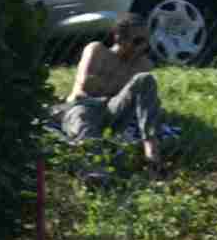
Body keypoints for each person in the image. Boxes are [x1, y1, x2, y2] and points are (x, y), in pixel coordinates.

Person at [61, 16, 169, 169]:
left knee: (145, 79)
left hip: (113, 111)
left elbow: (134, 94)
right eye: (138, 41)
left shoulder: (143, 64)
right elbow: (87, 85)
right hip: (84, 106)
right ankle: (96, 171)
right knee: (82, 121)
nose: (143, 47)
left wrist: (108, 85)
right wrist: (123, 86)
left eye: (147, 42)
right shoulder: (97, 50)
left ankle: (151, 152)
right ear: (119, 38)